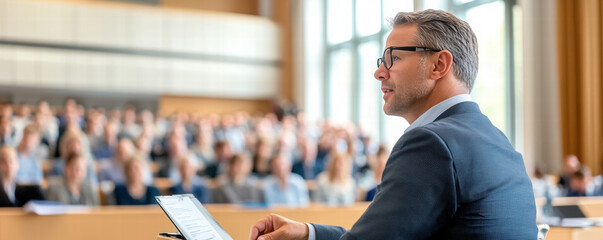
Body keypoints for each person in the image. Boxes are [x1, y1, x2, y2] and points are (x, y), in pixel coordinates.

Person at [250, 9, 536, 240]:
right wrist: (308, 233)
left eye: (394, 58)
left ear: (439, 65)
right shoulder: (497, 140)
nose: (378, 72)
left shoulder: (431, 144)